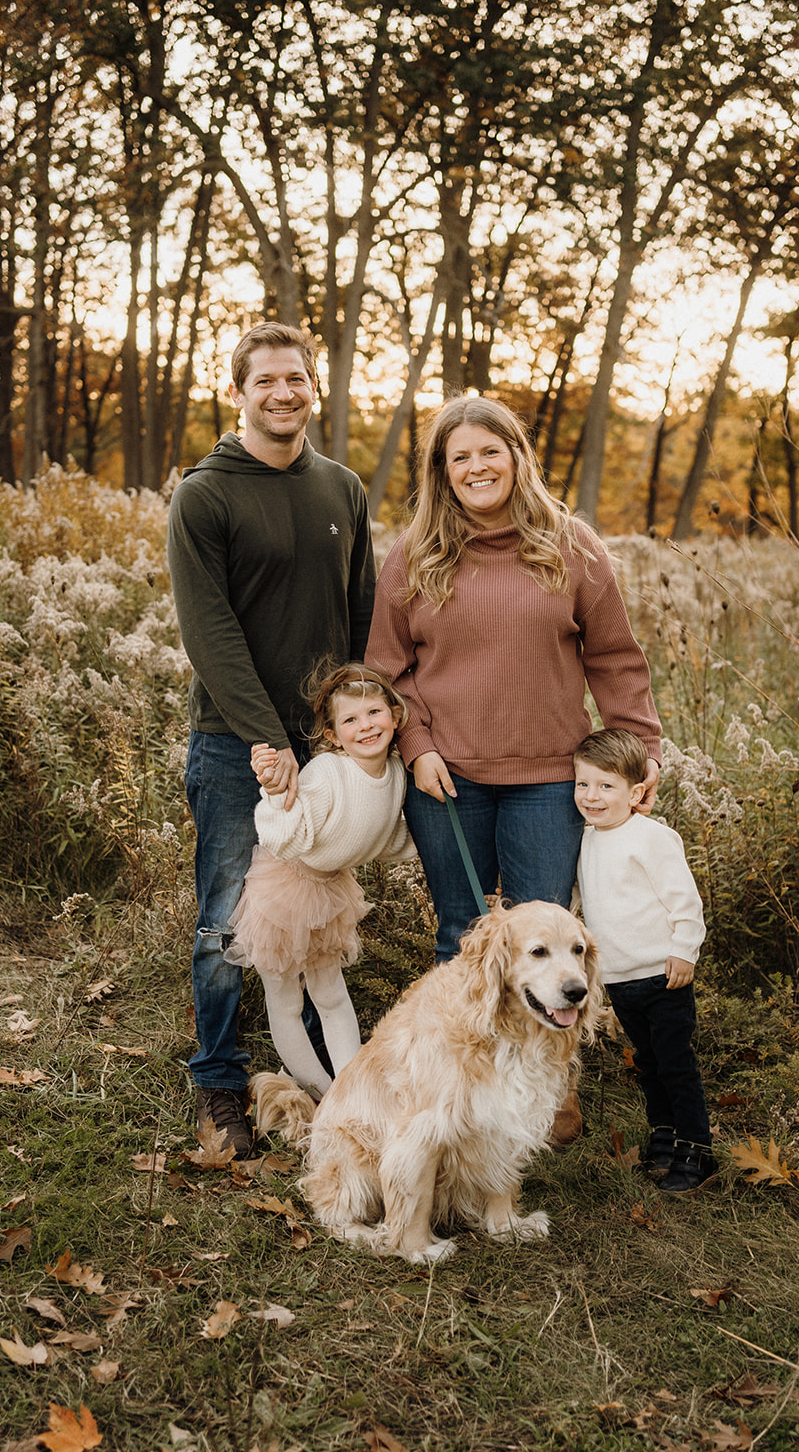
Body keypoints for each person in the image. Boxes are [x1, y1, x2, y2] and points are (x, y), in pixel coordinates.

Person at [167, 322, 375, 1158]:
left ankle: (334, 1071)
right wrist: (264, 738)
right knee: (224, 921)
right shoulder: (205, 494)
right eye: (266, 381)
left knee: (315, 912)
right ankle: (219, 1082)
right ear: (239, 392)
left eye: (296, 379)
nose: (283, 393)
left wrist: (353, 725)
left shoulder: (341, 488)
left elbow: (359, 612)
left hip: (324, 748)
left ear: (310, 388)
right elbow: (207, 630)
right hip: (232, 744)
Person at [365, 395, 662, 968]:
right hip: (447, 778)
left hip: (551, 780)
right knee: (461, 934)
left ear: (517, 457)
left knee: (544, 937)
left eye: (490, 452)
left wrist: (640, 750)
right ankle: (464, 1058)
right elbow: (387, 669)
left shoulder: (572, 546)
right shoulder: (415, 555)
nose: (477, 467)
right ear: (442, 472)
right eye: (460, 458)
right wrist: (416, 747)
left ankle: (539, 1060)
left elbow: (615, 659)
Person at [224, 662, 414, 1099]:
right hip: (284, 887)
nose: (365, 727)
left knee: (330, 994)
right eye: (350, 720)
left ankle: (349, 1092)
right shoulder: (328, 774)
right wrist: (274, 793)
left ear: (395, 715)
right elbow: (284, 835)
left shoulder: (397, 774)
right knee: (287, 999)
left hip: (329, 888)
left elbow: (387, 835)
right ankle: (322, 1094)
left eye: (374, 713)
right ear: (331, 735)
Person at [573, 728, 716, 1193]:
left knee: (676, 1063)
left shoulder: (651, 837)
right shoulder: (587, 840)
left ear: (636, 793)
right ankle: (664, 1136)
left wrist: (684, 951)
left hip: (662, 976)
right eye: (583, 784)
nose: (592, 797)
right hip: (619, 980)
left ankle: (696, 1150)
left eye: (605, 786)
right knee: (648, 1063)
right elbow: (586, 900)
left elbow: (685, 901)